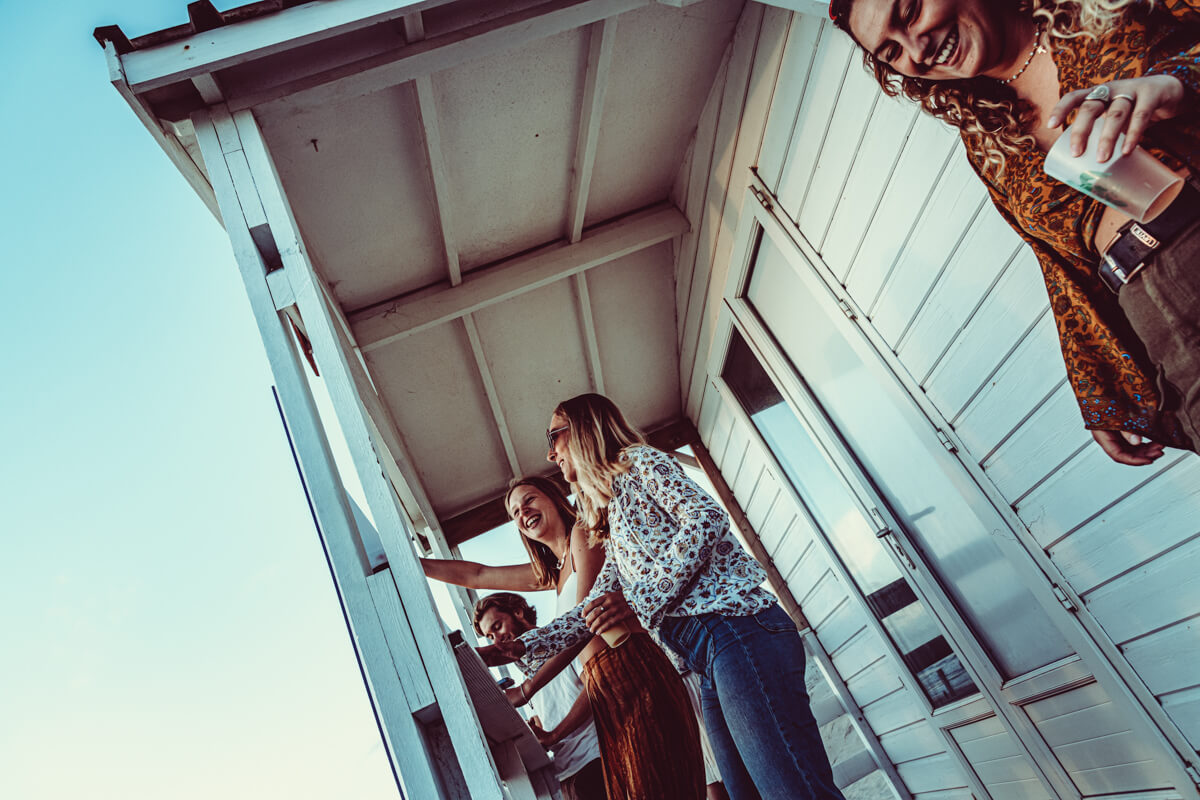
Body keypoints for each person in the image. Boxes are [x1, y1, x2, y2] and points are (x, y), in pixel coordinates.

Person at [828, 0, 1200, 465]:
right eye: (890, 51)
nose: (916, 50)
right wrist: (1100, 393)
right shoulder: (986, 139)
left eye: (908, 12)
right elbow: (1060, 267)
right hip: (1163, 325)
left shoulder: (1109, 9)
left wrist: (1180, 83)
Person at [478, 393, 843, 800]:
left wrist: (637, 599)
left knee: (792, 790)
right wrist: (518, 647)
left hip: (738, 631)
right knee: (743, 793)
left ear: (584, 431)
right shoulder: (611, 519)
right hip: (704, 658)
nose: (551, 452)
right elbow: (592, 609)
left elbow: (706, 519)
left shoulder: (640, 463)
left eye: (554, 436)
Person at [425, 476, 706, 800]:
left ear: (554, 498)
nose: (522, 512)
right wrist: (416, 564)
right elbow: (477, 575)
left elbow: (582, 622)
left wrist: (528, 688)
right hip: (604, 685)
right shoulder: (553, 573)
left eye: (529, 500)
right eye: (515, 511)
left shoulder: (583, 535)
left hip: (628, 669)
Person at [472, 592, 605, 800]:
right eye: (489, 636)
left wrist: (554, 735)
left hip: (595, 761)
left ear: (518, 612)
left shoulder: (566, 639)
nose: (496, 640)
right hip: (566, 776)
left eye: (497, 626)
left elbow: (596, 687)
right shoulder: (527, 676)